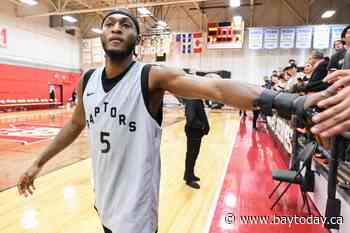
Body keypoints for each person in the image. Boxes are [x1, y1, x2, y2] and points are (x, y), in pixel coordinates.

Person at [16, 8, 347, 233]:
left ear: (138, 41)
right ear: (101, 35)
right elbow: (75, 125)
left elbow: (215, 86)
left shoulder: (150, 77)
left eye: (126, 24)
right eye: (110, 23)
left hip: (136, 214)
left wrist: (288, 100)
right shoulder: (87, 80)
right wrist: (38, 163)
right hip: (104, 202)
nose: (117, 27)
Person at [183, 99, 209, 189]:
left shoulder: (197, 100)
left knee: (194, 155)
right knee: (191, 155)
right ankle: (189, 179)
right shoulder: (192, 101)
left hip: (196, 133)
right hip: (193, 133)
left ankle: (190, 174)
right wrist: (202, 126)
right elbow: (190, 119)